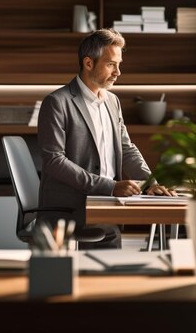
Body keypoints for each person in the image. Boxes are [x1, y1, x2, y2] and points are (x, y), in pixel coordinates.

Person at [37, 28, 174, 249]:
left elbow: (126, 147)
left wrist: (151, 183)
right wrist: (109, 186)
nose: (118, 72)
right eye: (111, 64)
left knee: (110, 275)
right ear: (88, 63)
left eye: (119, 64)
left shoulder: (112, 101)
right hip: (71, 213)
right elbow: (54, 161)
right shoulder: (57, 102)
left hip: (108, 208)